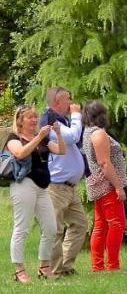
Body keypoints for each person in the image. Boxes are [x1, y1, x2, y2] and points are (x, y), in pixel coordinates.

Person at [7, 105, 66, 282]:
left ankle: (44, 267)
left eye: (35, 117)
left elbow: (61, 150)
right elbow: (20, 153)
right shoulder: (14, 138)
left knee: (50, 227)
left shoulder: (42, 137)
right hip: (24, 185)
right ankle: (19, 270)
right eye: (29, 118)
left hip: (42, 188)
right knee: (21, 228)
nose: (34, 120)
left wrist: (59, 134)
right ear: (20, 121)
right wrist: (38, 137)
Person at [41, 86, 86, 277]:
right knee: (56, 229)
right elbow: (72, 137)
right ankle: (55, 270)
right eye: (68, 99)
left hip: (70, 187)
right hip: (56, 186)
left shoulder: (63, 120)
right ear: (57, 102)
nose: (72, 103)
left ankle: (66, 266)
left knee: (80, 224)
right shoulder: (50, 120)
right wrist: (77, 116)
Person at [80, 100, 126, 272]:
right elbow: (104, 162)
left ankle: (97, 266)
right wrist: (118, 186)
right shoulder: (98, 133)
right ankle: (112, 265)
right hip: (106, 185)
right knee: (116, 223)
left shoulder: (88, 132)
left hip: (97, 183)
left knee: (101, 225)